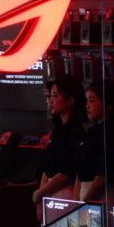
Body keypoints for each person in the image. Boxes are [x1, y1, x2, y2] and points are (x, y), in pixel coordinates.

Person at [33, 75, 86, 219]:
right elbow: (46, 166)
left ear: (70, 100)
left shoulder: (76, 133)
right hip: (49, 195)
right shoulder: (57, 130)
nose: (51, 100)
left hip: (64, 197)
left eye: (55, 96)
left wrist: (40, 193)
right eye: (50, 96)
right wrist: (40, 195)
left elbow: (66, 173)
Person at [75, 79, 114, 204]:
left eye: (92, 101)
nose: (87, 106)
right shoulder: (91, 132)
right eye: (87, 101)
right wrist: (77, 199)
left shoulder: (111, 133)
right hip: (85, 196)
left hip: (102, 198)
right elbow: (80, 170)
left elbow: (101, 177)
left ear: (108, 104)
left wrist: (84, 203)